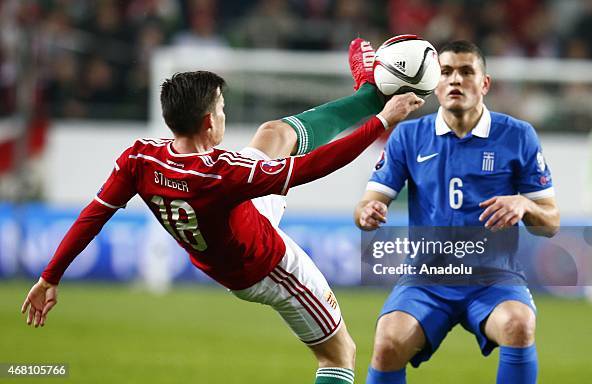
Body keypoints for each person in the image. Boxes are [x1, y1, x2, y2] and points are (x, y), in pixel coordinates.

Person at [21, 39, 425, 384]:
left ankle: (368, 91)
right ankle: (373, 100)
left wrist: (50, 276)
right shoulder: (225, 175)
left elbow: (95, 213)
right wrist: (380, 122)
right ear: (209, 121)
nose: (225, 115)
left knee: (274, 134)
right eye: (223, 108)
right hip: (265, 263)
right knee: (339, 355)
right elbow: (311, 168)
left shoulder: (139, 159)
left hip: (234, 223)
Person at [354, 40, 560, 384]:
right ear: (435, 82)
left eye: (466, 72)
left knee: (518, 323)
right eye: (446, 72)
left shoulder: (518, 136)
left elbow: (551, 222)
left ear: (484, 83)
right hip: (426, 280)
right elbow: (366, 205)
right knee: (388, 341)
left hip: (493, 278)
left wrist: (524, 205)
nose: (455, 80)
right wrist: (368, 211)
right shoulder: (408, 135)